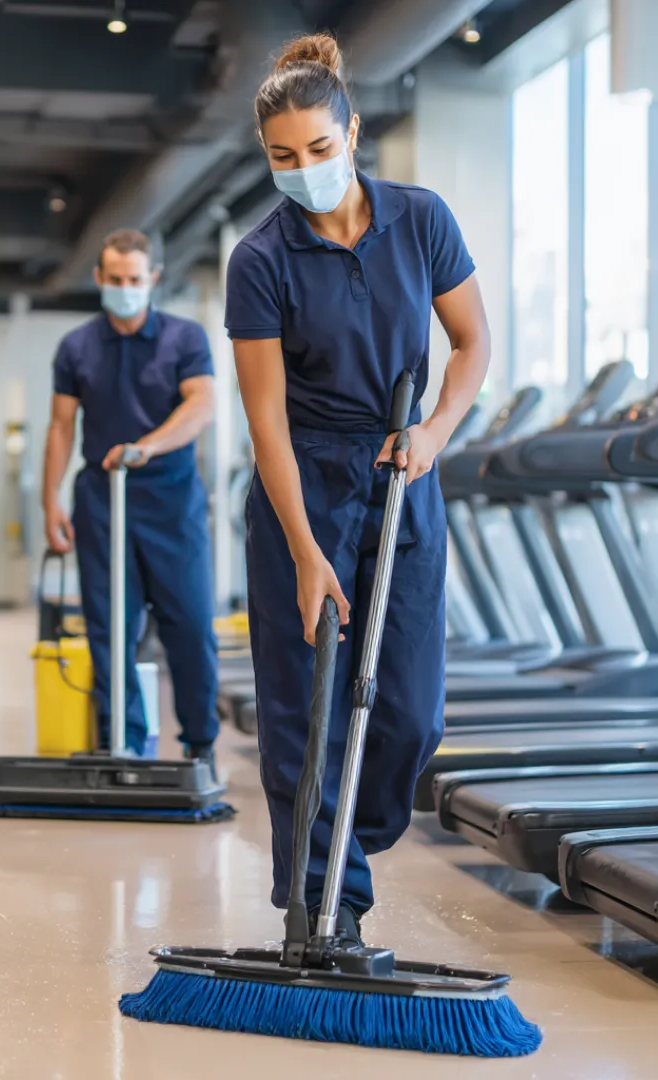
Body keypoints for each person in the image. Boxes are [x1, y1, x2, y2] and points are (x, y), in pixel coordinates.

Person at [225, 34, 490, 941]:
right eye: (282, 158)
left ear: (354, 131)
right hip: (304, 482)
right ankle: (319, 904)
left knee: (411, 712)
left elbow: (471, 344)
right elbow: (265, 424)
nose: (303, 171)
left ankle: (354, 845)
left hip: (404, 473)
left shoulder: (422, 219)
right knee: (307, 709)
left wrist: (435, 432)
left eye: (319, 150)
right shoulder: (259, 260)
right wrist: (304, 552)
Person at [42, 229, 220, 767]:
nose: (125, 288)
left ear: (153, 280)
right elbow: (60, 426)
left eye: (134, 280)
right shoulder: (76, 347)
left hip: (171, 501)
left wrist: (146, 448)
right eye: (115, 280)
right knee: (110, 629)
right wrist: (50, 500)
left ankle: (198, 743)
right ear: (99, 279)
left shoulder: (185, 339)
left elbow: (201, 406)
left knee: (188, 623)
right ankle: (124, 741)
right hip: (103, 502)